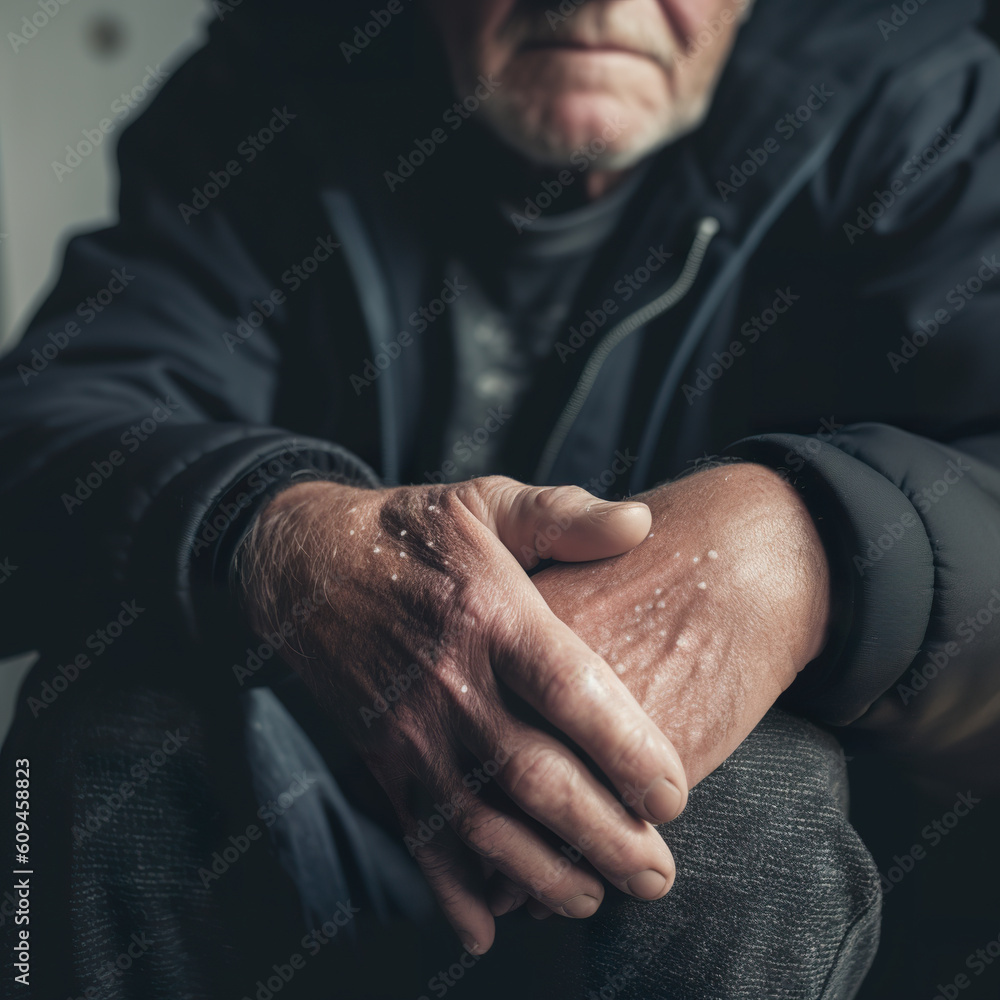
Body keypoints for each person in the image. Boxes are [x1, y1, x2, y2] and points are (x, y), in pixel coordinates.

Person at [0, 0, 998, 996]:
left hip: (770, 876)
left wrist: (805, 544)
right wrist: (274, 532)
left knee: (743, 813)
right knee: (113, 748)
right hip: (316, 798)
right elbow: (58, 420)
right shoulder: (275, 78)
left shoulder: (915, 105)